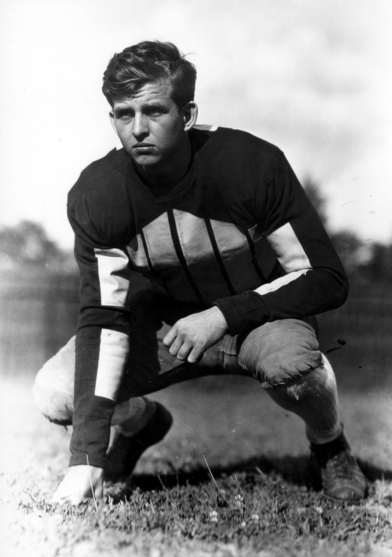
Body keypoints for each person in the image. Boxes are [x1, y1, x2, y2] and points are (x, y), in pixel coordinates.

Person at [33, 40, 367, 506]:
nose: (139, 129)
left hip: (257, 319)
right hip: (166, 329)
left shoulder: (249, 165)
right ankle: (142, 423)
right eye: (124, 114)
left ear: (187, 115)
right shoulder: (98, 194)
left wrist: (223, 315)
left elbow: (326, 276)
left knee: (295, 370)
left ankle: (330, 444)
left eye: (154, 110)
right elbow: (104, 318)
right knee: (54, 393)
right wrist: (86, 459)